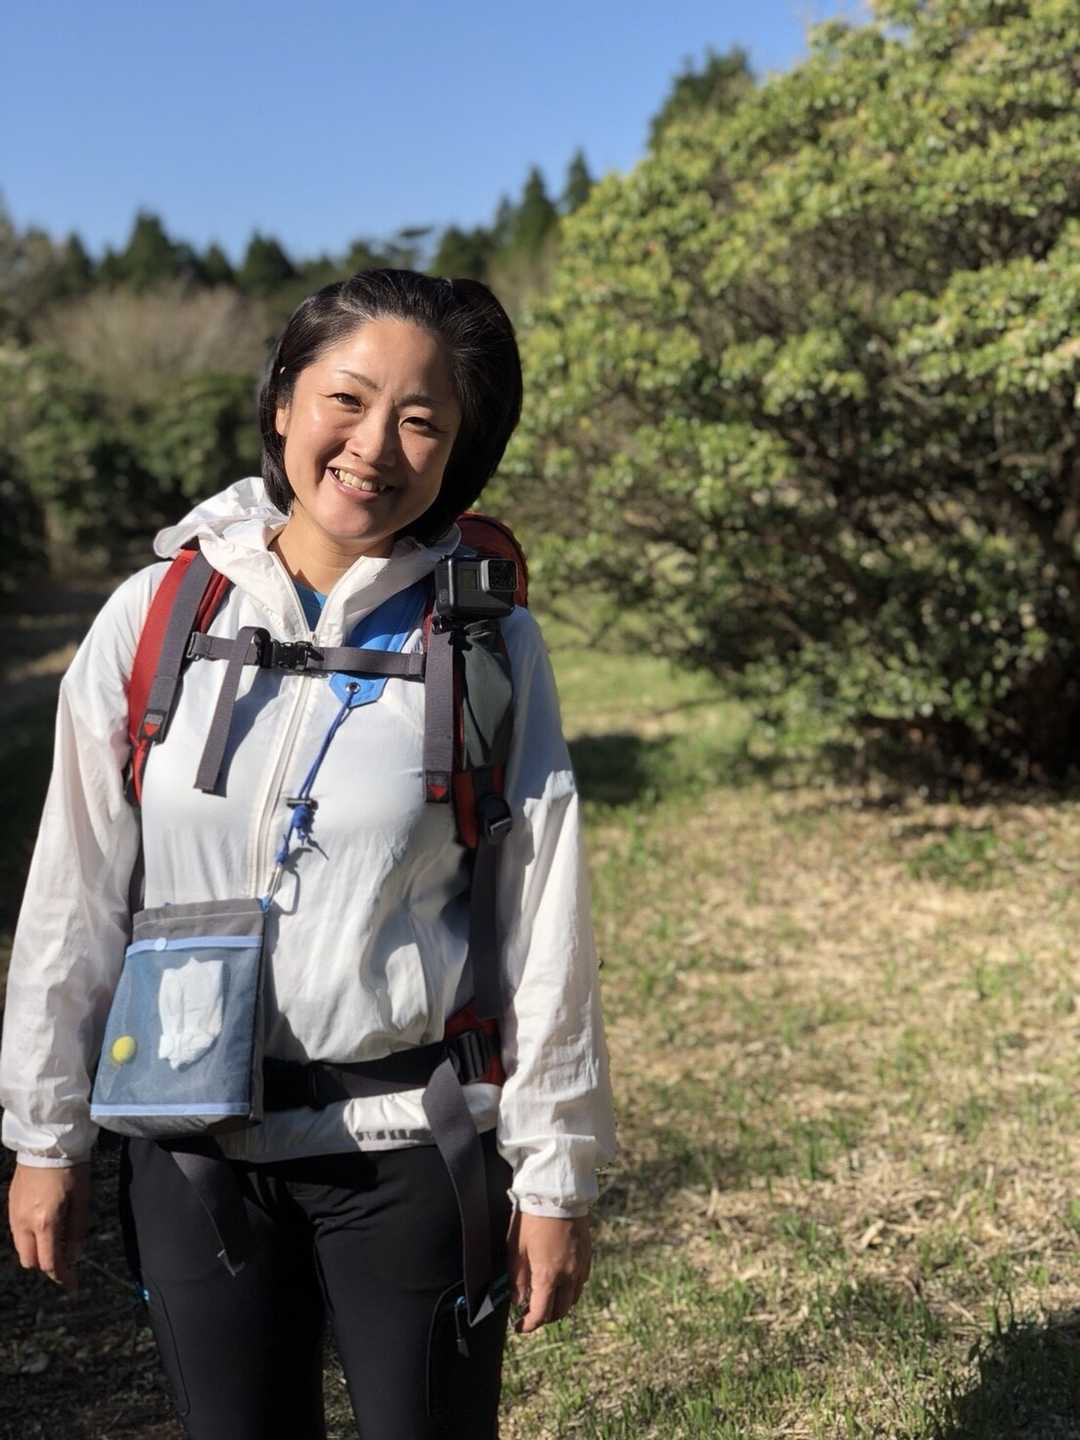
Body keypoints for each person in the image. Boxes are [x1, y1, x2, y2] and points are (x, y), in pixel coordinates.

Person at [0, 269, 615, 1439]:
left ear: (455, 456)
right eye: (347, 399)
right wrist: (44, 1132)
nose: (374, 446)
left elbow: (545, 917)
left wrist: (557, 1171)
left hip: (410, 1146)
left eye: (422, 420)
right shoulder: (156, 615)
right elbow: (73, 893)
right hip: (190, 1153)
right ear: (282, 402)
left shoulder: (487, 640)